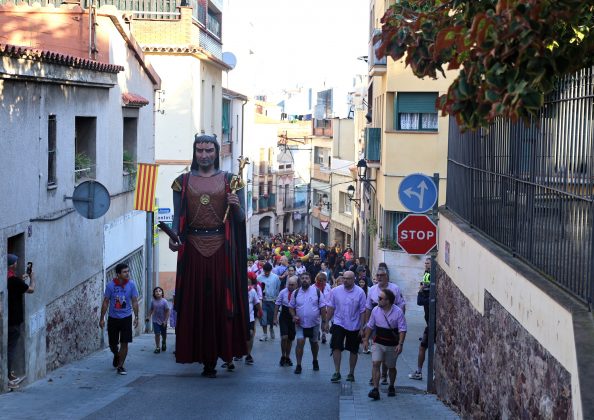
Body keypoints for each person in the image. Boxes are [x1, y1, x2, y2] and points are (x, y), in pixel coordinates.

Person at [168, 134, 249, 378]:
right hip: (193, 249)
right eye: (200, 150)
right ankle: (201, 355)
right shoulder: (181, 182)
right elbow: (177, 217)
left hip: (221, 250)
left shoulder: (232, 181)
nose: (204, 155)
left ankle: (217, 355)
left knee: (219, 304)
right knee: (195, 305)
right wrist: (173, 237)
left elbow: (240, 219)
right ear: (195, 153)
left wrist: (236, 205)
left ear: (216, 152)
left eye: (209, 150)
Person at [362, 289, 406, 400]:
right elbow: (370, 325)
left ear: (388, 301)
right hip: (378, 342)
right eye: (379, 297)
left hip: (392, 344)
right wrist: (366, 339)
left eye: (380, 298)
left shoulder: (398, 312)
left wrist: (400, 344)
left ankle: (391, 385)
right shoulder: (375, 310)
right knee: (375, 363)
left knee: (391, 367)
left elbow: (402, 329)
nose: (378, 300)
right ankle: (375, 389)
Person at [325, 270, 366, 383]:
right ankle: (337, 372)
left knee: (353, 350)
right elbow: (331, 307)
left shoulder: (360, 292)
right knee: (336, 346)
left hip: (354, 325)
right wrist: (326, 322)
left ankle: (351, 373)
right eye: (344, 278)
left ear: (354, 279)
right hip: (339, 322)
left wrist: (362, 328)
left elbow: (363, 311)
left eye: (348, 278)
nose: (345, 280)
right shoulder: (335, 291)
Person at [99, 263, 140, 375]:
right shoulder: (110, 285)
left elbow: (134, 301)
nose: (127, 273)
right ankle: (116, 355)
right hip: (113, 318)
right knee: (113, 344)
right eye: (124, 272)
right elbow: (106, 302)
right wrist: (102, 318)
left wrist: (136, 317)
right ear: (118, 274)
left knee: (124, 342)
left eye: (128, 271)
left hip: (126, 318)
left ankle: (120, 366)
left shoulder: (131, 284)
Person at [289, 272, 328, 374]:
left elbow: (323, 307)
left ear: (310, 280)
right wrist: (294, 316)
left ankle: (315, 360)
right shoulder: (295, 293)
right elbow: (291, 307)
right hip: (300, 324)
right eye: (302, 278)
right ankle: (298, 365)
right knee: (300, 342)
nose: (304, 280)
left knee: (314, 343)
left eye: (306, 278)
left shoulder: (317, 292)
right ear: (300, 280)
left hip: (314, 324)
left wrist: (324, 322)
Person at [7, 254, 35, 388]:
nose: (17, 264)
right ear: (12, 265)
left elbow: (14, 284)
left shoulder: (7, 279)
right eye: (16, 262)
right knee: (11, 348)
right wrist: (32, 278)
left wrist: (22, 278)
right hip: (14, 320)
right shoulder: (15, 282)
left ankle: (9, 373)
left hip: (7, 319)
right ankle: (8, 376)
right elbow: (31, 290)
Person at [409, 257, 432, 380]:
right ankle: (419, 372)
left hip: (432, 324)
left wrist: (420, 291)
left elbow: (419, 302)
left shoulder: (430, 295)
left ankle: (419, 372)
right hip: (429, 323)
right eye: (425, 263)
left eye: (428, 263)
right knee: (424, 347)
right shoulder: (427, 274)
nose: (425, 265)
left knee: (423, 347)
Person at [274, 276, 298, 366]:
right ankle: (283, 356)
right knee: (284, 337)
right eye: (289, 284)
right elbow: (277, 304)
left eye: (292, 285)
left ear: (296, 285)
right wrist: (275, 318)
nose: (290, 286)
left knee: (290, 338)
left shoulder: (298, 292)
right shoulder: (283, 292)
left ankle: (287, 357)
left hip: (293, 316)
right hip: (284, 315)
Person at [258, 262, 281, 341]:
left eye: (268, 271)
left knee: (271, 318)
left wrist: (277, 299)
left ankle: (271, 328)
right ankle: (265, 334)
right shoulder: (259, 277)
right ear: (263, 270)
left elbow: (278, 288)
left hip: (272, 300)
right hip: (263, 301)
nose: (267, 273)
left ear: (271, 270)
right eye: (265, 271)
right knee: (263, 318)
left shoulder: (275, 277)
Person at [146, 287, 170, 354]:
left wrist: (165, 321)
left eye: (159, 291)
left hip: (163, 321)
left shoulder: (164, 301)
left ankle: (164, 342)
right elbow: (151, 309)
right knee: (157, 334)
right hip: (155, 320)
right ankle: (157, 347)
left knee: (163, 334)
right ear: (154, 293)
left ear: (162, 293)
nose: (158, 292)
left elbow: (167, 311)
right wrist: (148, 317)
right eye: (156, 291)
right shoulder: (153, 301)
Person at [245, 281, 261, 365]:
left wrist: (260, 310)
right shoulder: (238, 290)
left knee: (251, 333)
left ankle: (248, 354)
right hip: (239, 317)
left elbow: (256, 302)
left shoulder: (252, 291)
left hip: (250, 316)